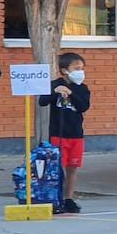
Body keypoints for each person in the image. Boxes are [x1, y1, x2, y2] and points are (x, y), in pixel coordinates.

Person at [39, 52, 91, 213]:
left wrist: (71, 93)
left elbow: (83, 106)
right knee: (57, 167)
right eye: (76, 68)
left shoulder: (82, 88)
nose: (80, 71)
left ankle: (69, 198)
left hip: (76, 134)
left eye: (82, 68)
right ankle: (55, 198)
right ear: (64, 70)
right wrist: (56, 91)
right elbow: (42, 101)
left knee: (72, 167)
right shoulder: (56, 84)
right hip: (58, 133)